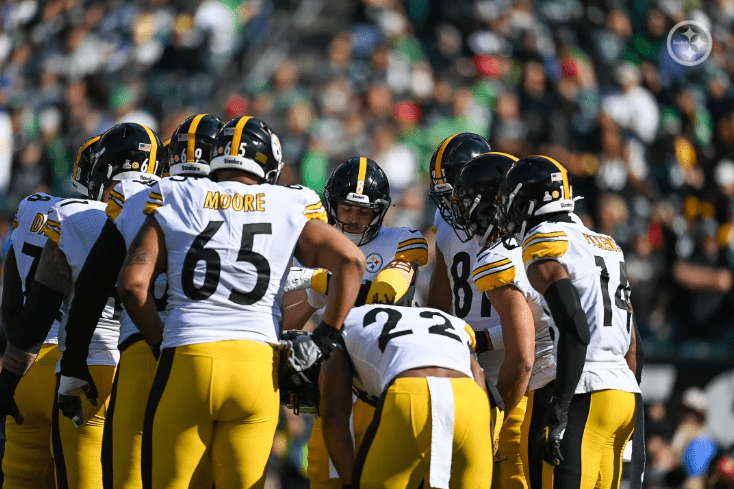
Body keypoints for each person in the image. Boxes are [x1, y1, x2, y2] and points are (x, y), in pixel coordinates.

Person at [117, 115, 366, 488]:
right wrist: (327, 336)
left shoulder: (178, 194)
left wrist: (158, 340)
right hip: (256, 366)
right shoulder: (286, 202)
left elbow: (134, 284)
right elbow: (352, 260)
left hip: (189, 357)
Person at [57, 114, 223, 489]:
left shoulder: (141, 199)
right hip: (211, 352)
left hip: (140, 349)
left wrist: (72, 363)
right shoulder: (254, 205)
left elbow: (94, 287)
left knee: (129, 477)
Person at [0, 122, 163, 489]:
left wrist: (12, 371)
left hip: (39, 362)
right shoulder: (159, 211)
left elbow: (16, 307)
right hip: (122, 366)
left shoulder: (45, 211)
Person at [282, 157, 429, 489]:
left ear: (379, 212)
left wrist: (322, 282)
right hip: (338, 374)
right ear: (332, 203)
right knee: (325, 472)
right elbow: (287, 321)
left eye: (364, 212)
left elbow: (384, 295)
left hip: (384, 373)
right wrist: (308, 300)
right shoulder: (317, 245)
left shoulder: (401, 241)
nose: (353, 218)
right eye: (347, 208)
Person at [498, 155, 640, 489]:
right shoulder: (607, 245)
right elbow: (635, 346)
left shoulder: (546, 241)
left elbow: (575, 327)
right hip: (622, 392)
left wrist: (559, 406)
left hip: (580, 391)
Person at [426, 134, 533, 487]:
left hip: (514, 364)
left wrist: (482, 339)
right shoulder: (446, 224)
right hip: (465, 366)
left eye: (457, 193)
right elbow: (440, 298)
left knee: (511, 471)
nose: (453, 206)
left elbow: (536, 321)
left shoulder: (520, 231)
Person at [451, 152, 557, 489]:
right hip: (592, 387)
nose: (462, 214)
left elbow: (523, 358)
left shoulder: (500, 257)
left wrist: (497, 414)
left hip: (537, 396)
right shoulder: (550, 244)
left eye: (467, 203)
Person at [320, 303, 493, 488]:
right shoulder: (451, 321)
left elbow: (333, 412)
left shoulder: (342, 322)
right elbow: (479, 378)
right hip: (472, 402)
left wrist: (351, 484)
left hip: (409, 397)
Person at [2, 187, 64, 488]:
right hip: (90, 370)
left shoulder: (32, 208)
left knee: (19, 479)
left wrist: (14, 370)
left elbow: (12, 306)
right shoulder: (102, 218)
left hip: (27, 367)